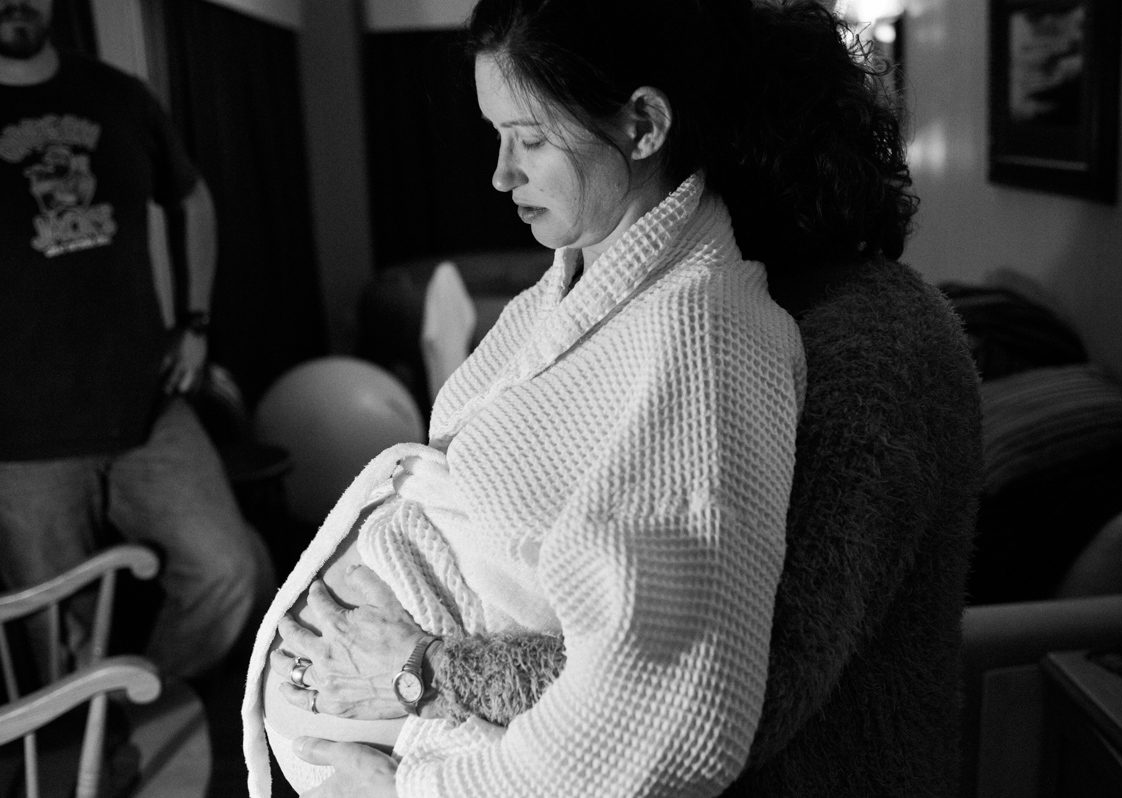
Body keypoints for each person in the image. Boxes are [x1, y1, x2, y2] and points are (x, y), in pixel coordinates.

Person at [244, 0, 981, 796]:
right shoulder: (591, 287)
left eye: (531, 138)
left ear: (651, 125)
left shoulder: (775, 336)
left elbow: (699, 691)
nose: (501, 174)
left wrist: (419, 681)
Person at [0, 0, 269, 685]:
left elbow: (192, 199)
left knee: (226, 571)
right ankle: (93, 726)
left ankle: (138, 699)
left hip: (147, 404)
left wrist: (195, 324)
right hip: (22, 438)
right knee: (57, 633)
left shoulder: (118, 96)